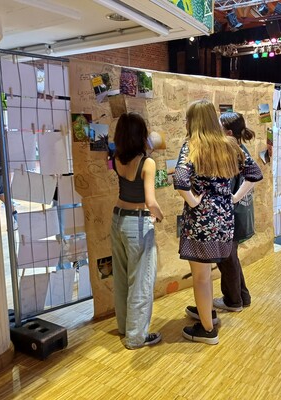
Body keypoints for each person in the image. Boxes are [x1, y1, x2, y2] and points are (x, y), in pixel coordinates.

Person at [174, 100, 261, 345]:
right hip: (224, 220)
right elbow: (255, 173)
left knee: (201, 277)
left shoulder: (191, 146)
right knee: (209, 272)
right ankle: (207, 312)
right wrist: (233, 197)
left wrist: (193, 201)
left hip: (200, 223)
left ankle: (207, 329)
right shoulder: (230, 144)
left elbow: (180, 179)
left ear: (194, 121)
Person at [110, 112, 163, 350]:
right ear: (140, 134)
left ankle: (125, 328)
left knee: (122, 278)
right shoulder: (147, 163)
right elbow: (151, 201)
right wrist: (160, 215)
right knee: (141, 281)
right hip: (138, 223)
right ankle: (136, 337)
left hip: (117, 220)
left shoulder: (116, 158)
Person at [212, 112, 262, 312]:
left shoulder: (233, 150)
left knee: (227, 259)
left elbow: (255, 175)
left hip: (234, 214)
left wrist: (234, 198)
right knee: (230, 257)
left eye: (219, 126)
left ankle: (233, 301)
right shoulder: (238, 149)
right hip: (238, 213)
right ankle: (242, 297)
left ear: (229, 133)